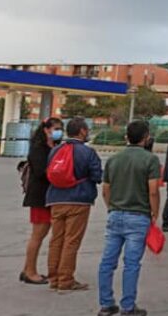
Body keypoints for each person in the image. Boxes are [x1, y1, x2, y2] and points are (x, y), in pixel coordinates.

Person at [97, 120, 160, 316]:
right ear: (146, 137)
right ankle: (128, 306)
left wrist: (112, 208)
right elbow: (153, 191)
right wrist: (154, 213)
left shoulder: (114, 160)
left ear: (126, 137)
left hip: (115, 214)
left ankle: (106, 304)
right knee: (131, 264)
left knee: (107, 262)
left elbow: (105, 190)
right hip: (138, 217)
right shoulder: (150, 160)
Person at [45, 117, 102, 291]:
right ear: (83, 131)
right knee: (71, 241)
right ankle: (66, 280)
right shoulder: (87, 152)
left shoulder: (55, 151)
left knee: (56, 240)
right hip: (79, 200)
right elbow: (97, 176)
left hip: (55, 199)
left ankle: (53, 279)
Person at [20, 117, 63, 285]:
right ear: (46, 129)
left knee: (42, 234)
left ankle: (27, 269)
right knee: (38, 235)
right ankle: (30, 271)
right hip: (39, 197)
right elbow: (40, 172)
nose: (58, 132)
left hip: (50, 196)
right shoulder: (39, 148)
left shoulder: (55, 147)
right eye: (56, 128)